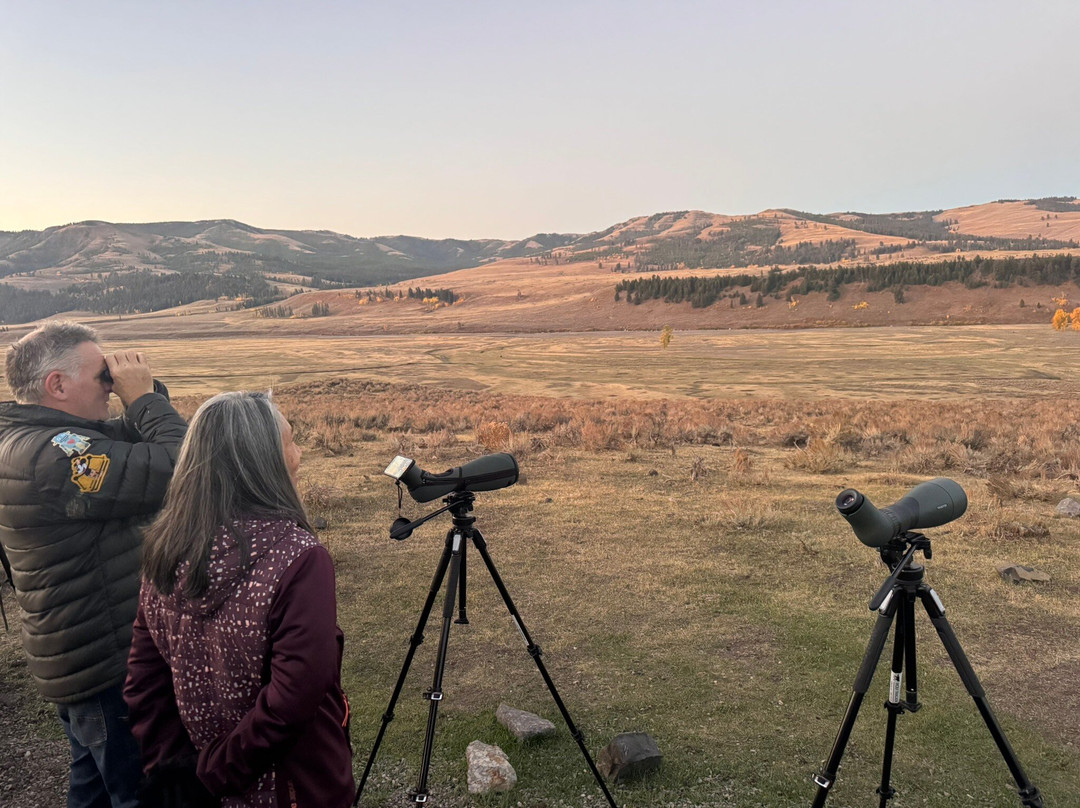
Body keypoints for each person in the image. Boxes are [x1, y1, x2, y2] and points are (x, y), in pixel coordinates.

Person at [124, 391, 354, 808]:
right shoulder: (299, 558)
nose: (299, 454)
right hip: (298, 785)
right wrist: (206, 775)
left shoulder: (164, 548)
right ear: (263, 461)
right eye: (291, 441)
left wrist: (177, 774)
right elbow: (296, 697)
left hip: (201, 778)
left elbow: (145, 682)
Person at [0, 321, 188, 808]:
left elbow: (125, 441)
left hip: (83, 653)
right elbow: (176, 467)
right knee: (138, 794)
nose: (110, 385)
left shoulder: (39, 438)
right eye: (100, 375)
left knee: (93, 792)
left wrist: (147, 392)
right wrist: (144, 400)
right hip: (105, 664)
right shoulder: (53, 455)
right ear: (56, 385)